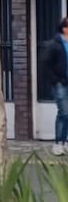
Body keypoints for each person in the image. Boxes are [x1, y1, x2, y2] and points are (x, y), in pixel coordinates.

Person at [44, 17, 68, 155]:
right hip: (60, 84)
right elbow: (46, 64)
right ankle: (58, 143)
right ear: (64, 28)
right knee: (63, 113)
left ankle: (64, 142)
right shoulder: (55, 44)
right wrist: (56, 80)